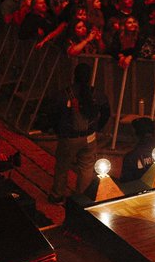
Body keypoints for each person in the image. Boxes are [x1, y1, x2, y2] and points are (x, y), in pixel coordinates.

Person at [46, 62, 111, 203]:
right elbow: (106, 112)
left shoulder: (64, 94)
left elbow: (52, 114)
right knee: (86, 167)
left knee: (62, 166)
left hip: (69, 138)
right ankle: (82, 198)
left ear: (74, 75)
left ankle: (57, 195)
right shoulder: (96, 94)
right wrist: (97, 128)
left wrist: (58, 130)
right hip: (90, 137)